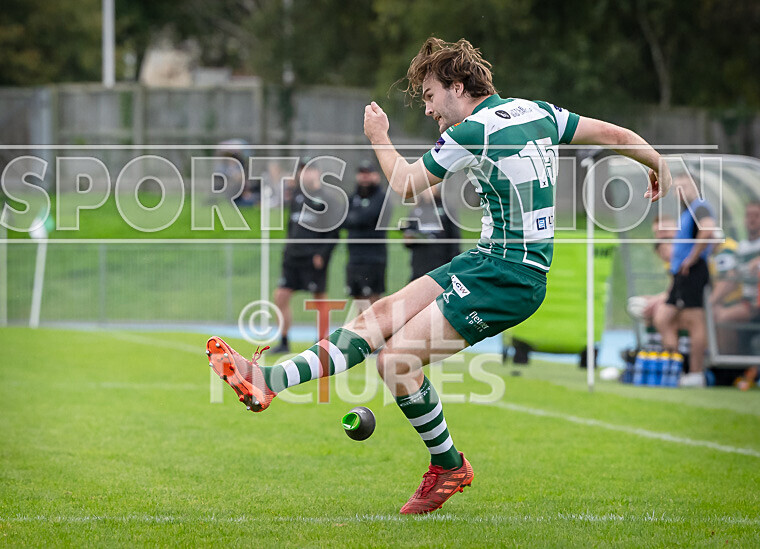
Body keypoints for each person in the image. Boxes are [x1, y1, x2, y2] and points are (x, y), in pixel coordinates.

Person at [206, 37, 671, 514]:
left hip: (509, 278)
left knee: (395, 362)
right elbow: (615, 136)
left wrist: (379, 137)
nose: (428, 109)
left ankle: (449, 465)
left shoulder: (472, 132)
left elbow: (406, 184)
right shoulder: (538, 111)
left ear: (457, 86)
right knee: (379, 318)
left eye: (429, 96)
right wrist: (657, 164)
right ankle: (268, 380)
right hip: (487, 260)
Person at [269, 160, 340, 354]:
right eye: (302, 171)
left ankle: (323, 341)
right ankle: (284, 341)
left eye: (309, 170)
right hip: (293, 257)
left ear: (317, 173)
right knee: (281, 296)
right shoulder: (297, 196)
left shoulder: (327, 200)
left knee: (319, 298)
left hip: (313, 258)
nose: (305, 174)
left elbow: (333, 233)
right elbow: (291, 226)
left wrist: (322, 254)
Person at [654, 175, 718, 387]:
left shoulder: (700, 207)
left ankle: (696, 373)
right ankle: (676, 368)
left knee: (694, 320)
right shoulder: (687, 212)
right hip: (681, 273)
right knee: (663, 318)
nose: (680, 190)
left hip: (693, 270)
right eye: (677, 187)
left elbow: (708, 230)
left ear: (695, 188)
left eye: (685, 185)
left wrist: (691, 258)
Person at [710, 200, 760, 389]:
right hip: (747, 301)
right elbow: (732, 277)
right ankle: (727, 366)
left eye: (757, 216)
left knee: (724, 316)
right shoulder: (742, 247)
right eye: (749, 216)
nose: (752, 220)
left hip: (755, 303)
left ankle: (731, 367)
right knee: (716, 314)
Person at [343, 160, 388, 307]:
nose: (364, 177)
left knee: (373, 302)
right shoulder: (352, 197)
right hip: (355, 257)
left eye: (368, 173)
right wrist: (356, 218)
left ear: (376, 176)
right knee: (359, 302)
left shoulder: (381, 198)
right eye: (362, 173)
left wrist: (355, 218)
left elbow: (368, 216)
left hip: (374, 258)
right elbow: (343, 221)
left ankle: (377, 324)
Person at [401, 184, 461, 281]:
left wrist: (453, 260)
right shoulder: (416, 209)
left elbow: (454, 236)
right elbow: (409, 234)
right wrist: (408, 239)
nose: (427, 191)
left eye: (430, 187)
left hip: (440, 261)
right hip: (419, 262)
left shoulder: (446, 208)